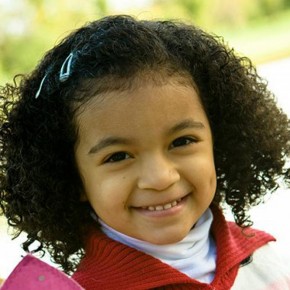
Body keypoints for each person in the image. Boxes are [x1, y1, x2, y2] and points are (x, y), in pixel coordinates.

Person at [0, 15, 290, 289]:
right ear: (73, 178)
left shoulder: (265, 256)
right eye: (118, 156)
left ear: (219, 139)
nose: (160, 177)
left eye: (182, 141)